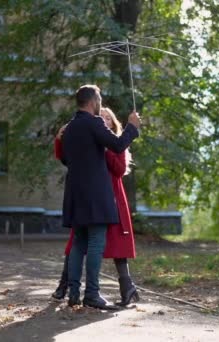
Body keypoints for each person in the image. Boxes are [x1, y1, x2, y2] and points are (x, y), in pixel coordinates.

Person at [59, 84, 141, 309]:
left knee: (79, 243)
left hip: (74, 193)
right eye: (100, 99)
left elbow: (66, 159)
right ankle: (92, 294)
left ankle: (74, 293)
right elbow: (117, 144)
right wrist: (132, 127)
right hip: (95, 195)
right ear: (93, 101)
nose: (101, 103)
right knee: (96, 242)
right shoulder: (93, 123)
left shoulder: (71, 127)